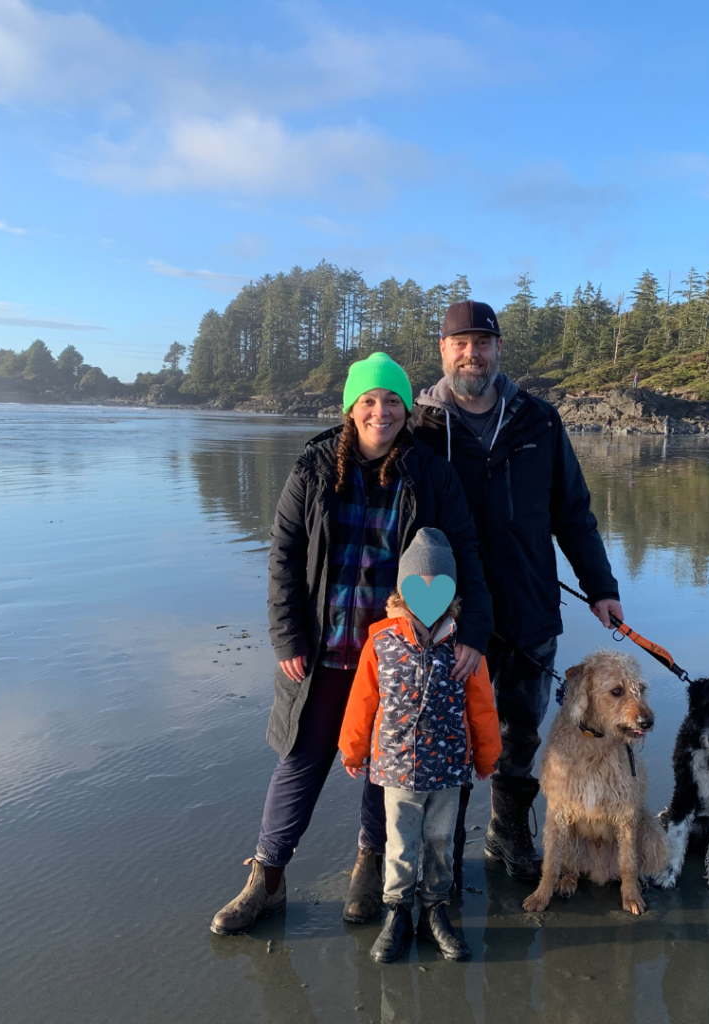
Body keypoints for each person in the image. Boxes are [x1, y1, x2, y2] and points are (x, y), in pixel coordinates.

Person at [210, 352, 492, 935]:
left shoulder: (430, 474)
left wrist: (477, 633)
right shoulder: (314, 466)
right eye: (369, 401)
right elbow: (284, 554)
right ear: (350, 408)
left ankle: (370, 864)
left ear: (407, 409)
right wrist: (286, 634)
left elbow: (466, 551)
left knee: (382, 768)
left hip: (399, 651)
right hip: (323, 648)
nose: (381, 412)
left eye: (392, 401)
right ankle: (266, 876)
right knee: (302, 760)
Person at [410, 299, 625, 880]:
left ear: (499, 349)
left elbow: (573, 513)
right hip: (448, 612)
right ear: (443, 350)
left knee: (522, 733)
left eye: (482, 342)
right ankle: (445, 848)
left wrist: (600, 586)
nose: (471, 353)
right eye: (460, 342)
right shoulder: (418, 426)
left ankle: (507, 835)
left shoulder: (540, 420)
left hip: (530, 605)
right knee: (446, 735)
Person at [339, 529, 501, 963]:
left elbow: (482, 708)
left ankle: (434, 911)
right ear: (403, 589)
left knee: (440, 842)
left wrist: (487, 757)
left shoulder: (466, 648)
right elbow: (363, 700)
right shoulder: (381, 641)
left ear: (451, 594)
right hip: (397, 770)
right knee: (399, 844)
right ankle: (397, 913)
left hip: (449, 770)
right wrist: (352, 749)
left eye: (438, 587)